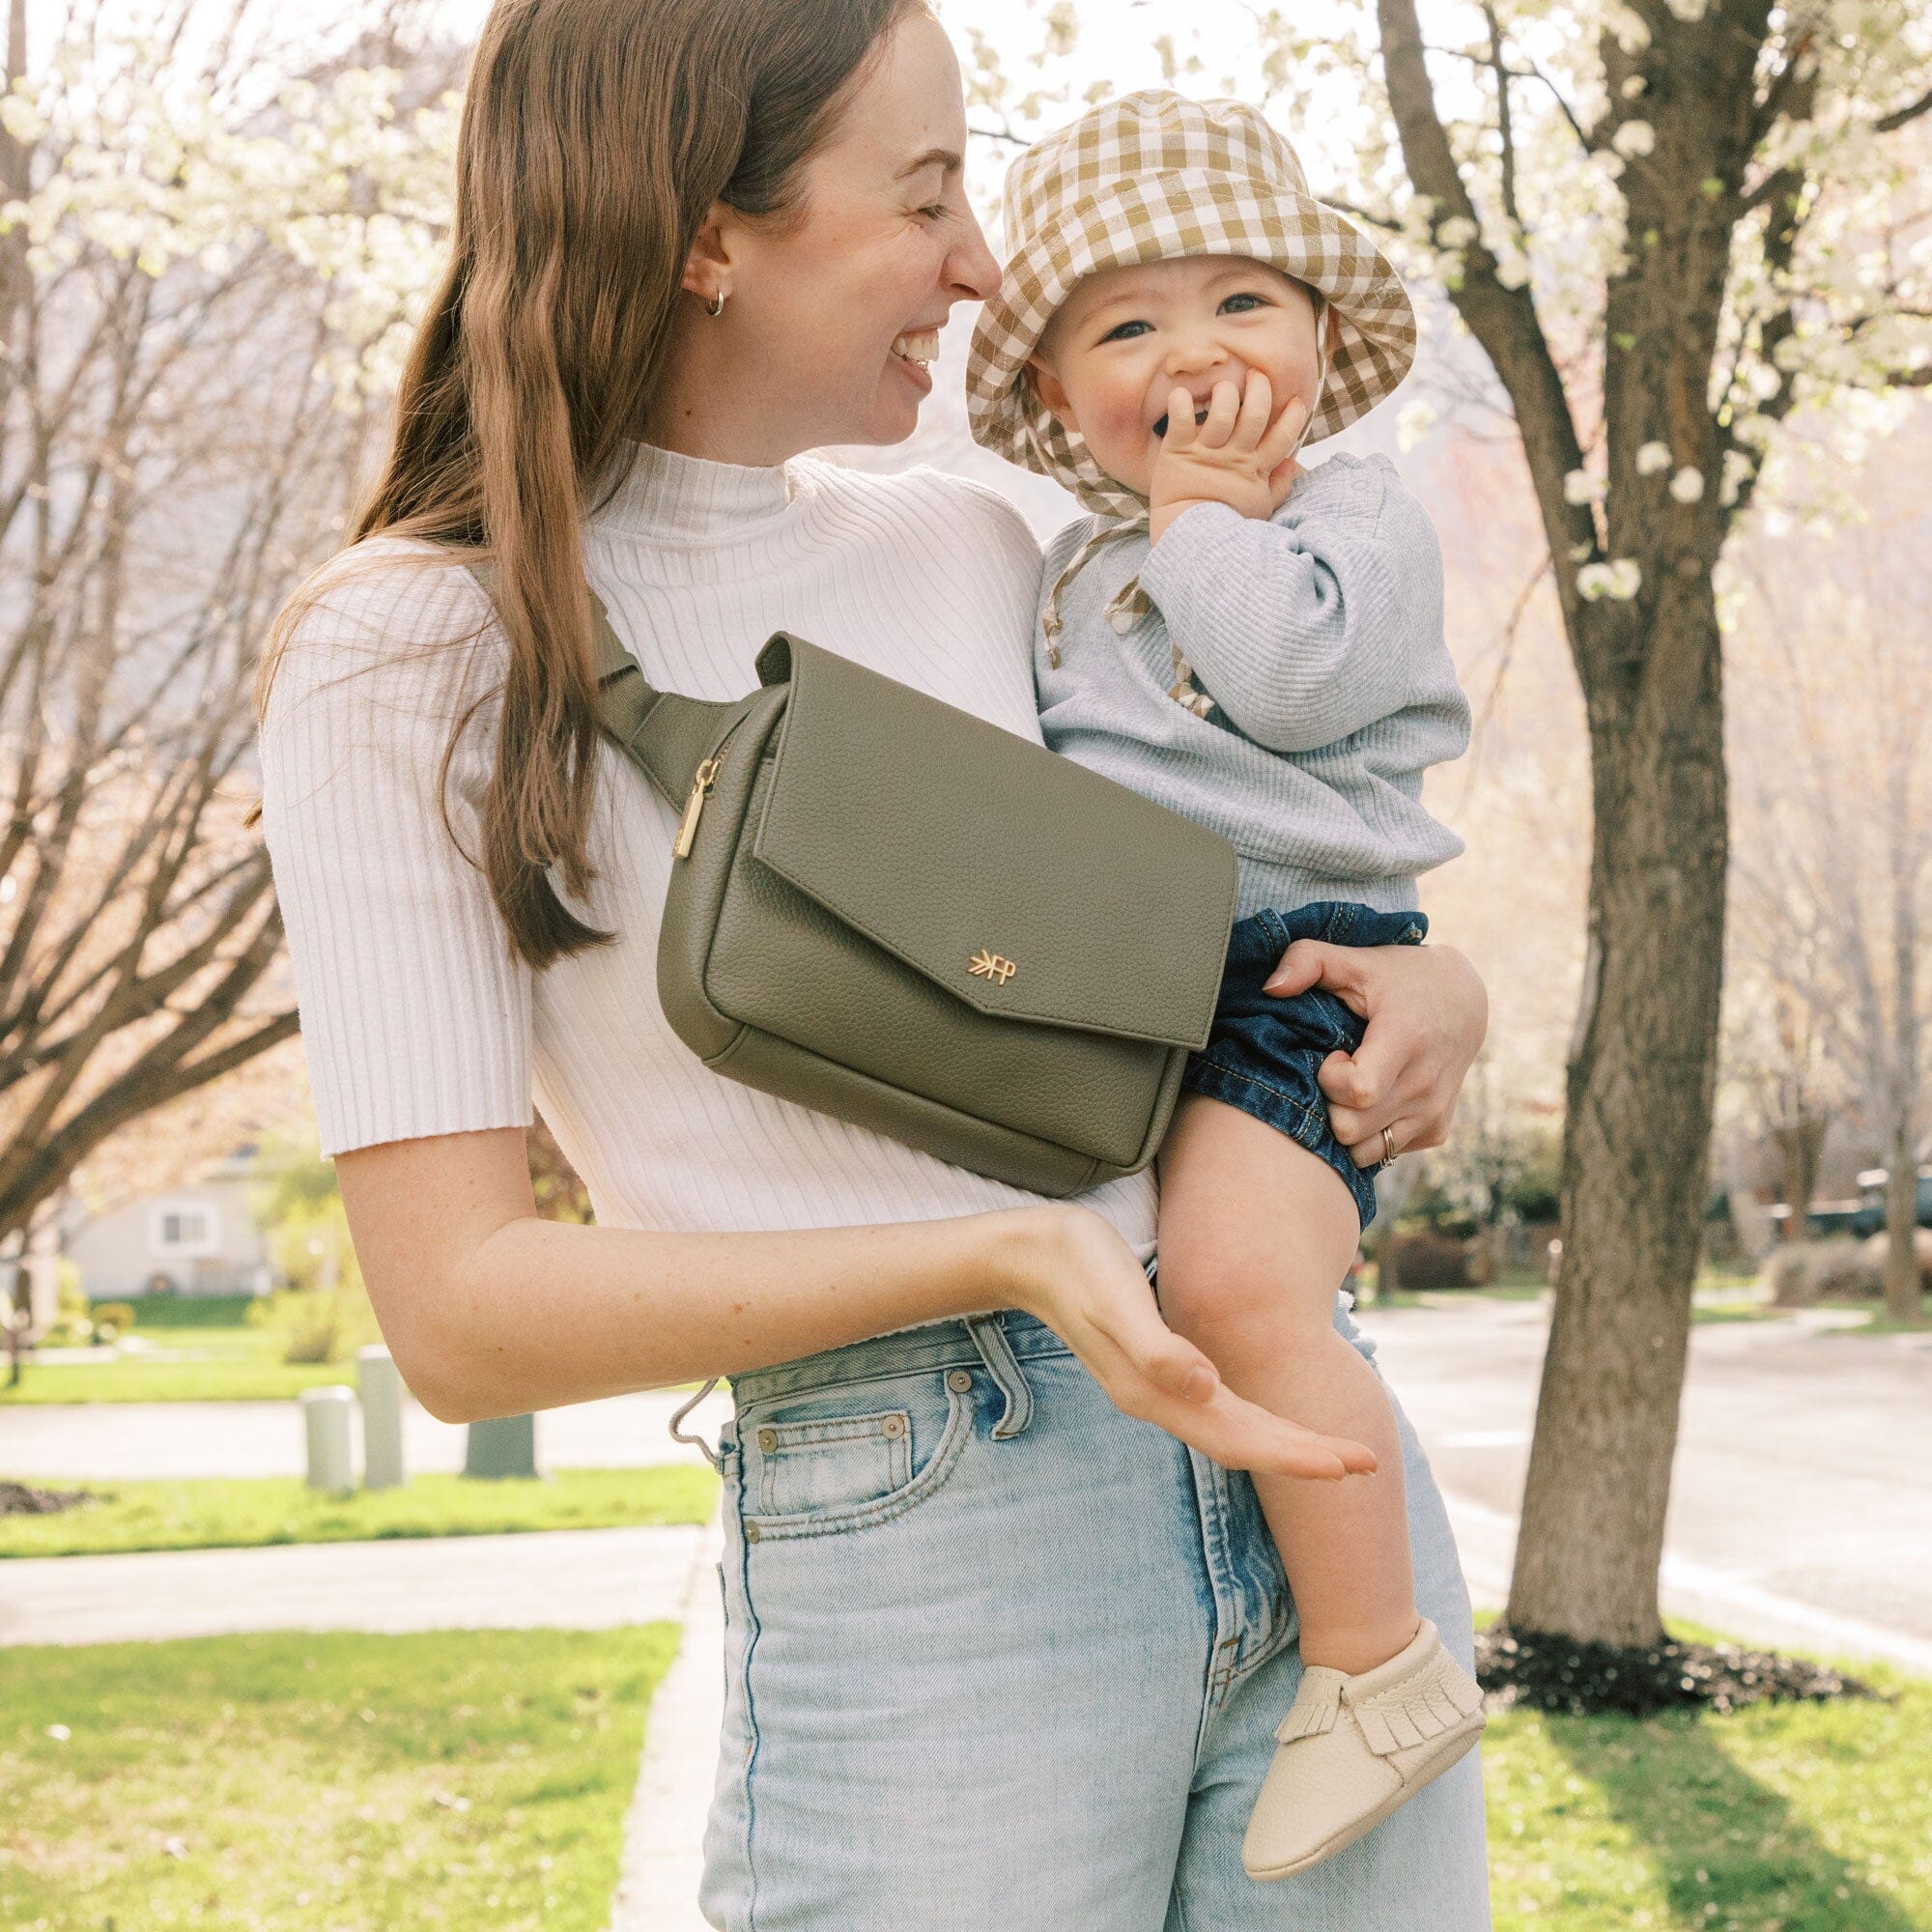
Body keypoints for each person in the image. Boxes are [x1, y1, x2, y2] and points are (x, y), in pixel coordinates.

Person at [256, 3, 1494, 1926]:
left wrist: (1435, 986)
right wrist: (999, 1255)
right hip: (938, 1544)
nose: (988, 267)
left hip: (1319, 1503)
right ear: (705, 234)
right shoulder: (414, 653)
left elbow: (1248, 870)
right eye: (925, 197)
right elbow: (462, 1317)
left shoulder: (997, 542)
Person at [965, 91, 1485, 1880]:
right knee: (1187, 1273)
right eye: (1127, 325)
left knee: (1252, 1283)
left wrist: (1201, 514)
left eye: (1241, 304)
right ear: (1053, 397)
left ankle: (1374, 1666)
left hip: (1296, 975)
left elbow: (1287, 681)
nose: (1194, 352)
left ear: (1324, 341)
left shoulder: (1351, 508)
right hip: (1151, 980)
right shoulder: (1070, 568)